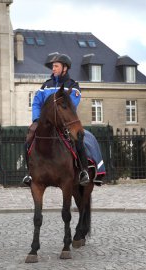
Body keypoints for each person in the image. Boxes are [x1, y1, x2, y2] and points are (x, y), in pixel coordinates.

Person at [22, 52, 90, 186]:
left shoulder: (73, 86)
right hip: (45, 123)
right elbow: (36, 103)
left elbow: (70, 105)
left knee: (78, 141)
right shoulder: (46, 85)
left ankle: (83, 171)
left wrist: (58, 117)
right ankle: (29, 172)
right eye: (53, 66)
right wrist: (36, 120)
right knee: (28, 139)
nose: (53, 69)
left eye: (56, 66)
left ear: (65, 68)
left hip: (63, 124)